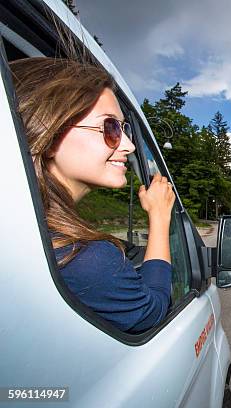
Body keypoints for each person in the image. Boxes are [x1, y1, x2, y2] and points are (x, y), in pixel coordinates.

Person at [9, 57, 176, 334]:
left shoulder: (28, 231)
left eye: (124, 129)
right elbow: (152, 311)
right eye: (110, 128)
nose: (130, 145)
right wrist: (159, 218)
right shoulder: (83, 257)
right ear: (48, 132)